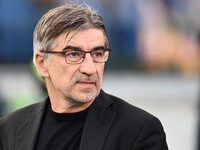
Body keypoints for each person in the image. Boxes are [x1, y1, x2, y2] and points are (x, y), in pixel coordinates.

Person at [0, 3, 168, 150]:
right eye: (73, 54)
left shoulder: (138, 130)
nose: (90, 68)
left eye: (97, 54)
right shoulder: (9, 129)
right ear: (42, 63)